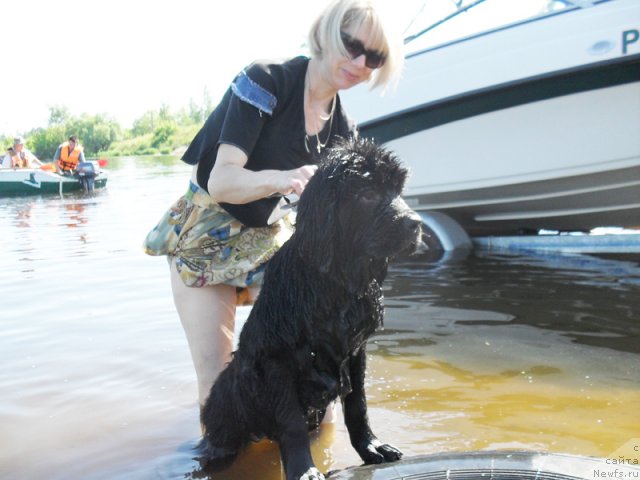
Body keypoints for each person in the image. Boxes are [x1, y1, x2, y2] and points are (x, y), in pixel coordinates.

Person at [143, 0, 404, 411]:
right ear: (325, 33)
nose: (359, 62)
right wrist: (282, 179)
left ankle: (319, 463)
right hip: (207, 234)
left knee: (316, 364)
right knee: (219, 381)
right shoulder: (266, 80)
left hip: (274, 241)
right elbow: (222, 181)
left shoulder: (344, 128)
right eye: (352, 45)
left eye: (374, 57)